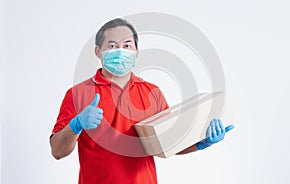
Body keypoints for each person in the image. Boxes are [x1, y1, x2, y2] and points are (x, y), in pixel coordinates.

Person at [50, 18, 234, 184]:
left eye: (127, 45)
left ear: (136, 51)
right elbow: (57, 151)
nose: (121, 51)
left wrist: (202, 143)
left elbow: (166, 145)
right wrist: (76, 125)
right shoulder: (77, 94)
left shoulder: (151, 93)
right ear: (98, 51)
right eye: (112, 46)